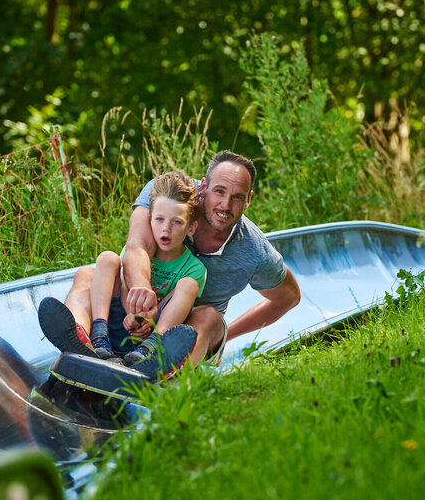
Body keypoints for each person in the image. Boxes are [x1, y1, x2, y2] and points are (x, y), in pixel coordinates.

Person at [64, 150, 301, 368]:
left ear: (248, 200)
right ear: (204, 187)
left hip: (184, 329)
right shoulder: (168, 196)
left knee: (208, 316)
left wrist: (227, 336)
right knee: (86, 275)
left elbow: (289, 297)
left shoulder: (254, 250)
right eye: (219, 191)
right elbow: (138, 245)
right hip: (129, 310)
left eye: (237, 197)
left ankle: (162, 369)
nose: (225, 205)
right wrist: (142, 295)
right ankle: (81, 343)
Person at [81, 170, 207, 364]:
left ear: (191, 228)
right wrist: (134, 315)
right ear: (149, 220)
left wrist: (146, 320)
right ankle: (98, 336)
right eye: (160, 219)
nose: (166, 228)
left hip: (150, 332)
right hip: (118, 321)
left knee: (189, 284)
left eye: (177, 222)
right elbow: (125, 285)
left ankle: (153, 346)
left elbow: (174, 307)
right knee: (107, 258)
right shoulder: (138, 254)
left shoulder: (194, 268)